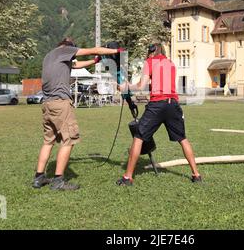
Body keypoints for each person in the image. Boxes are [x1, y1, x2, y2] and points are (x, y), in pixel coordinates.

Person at [33, 37, 124, 191]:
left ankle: (39, 177)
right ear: (69, 47)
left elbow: (75, 65)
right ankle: (58, 181)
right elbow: (93, 50)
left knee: (48, 141)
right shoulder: (66, 50)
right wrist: (117, 51)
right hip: (60, 104)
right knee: (69, 140)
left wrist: (95, 62)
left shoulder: (50, 56)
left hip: (47, 104)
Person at [117, 44, 202, 186]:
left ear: (152, 52)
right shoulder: (171, 64)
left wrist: (125, 87)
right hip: (173, 104)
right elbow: (161, 84)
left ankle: (128, 177)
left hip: (157, 104)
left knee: (138, 137)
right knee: (182, 139)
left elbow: (140, 86)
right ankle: (196, 174)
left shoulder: (150, 62)